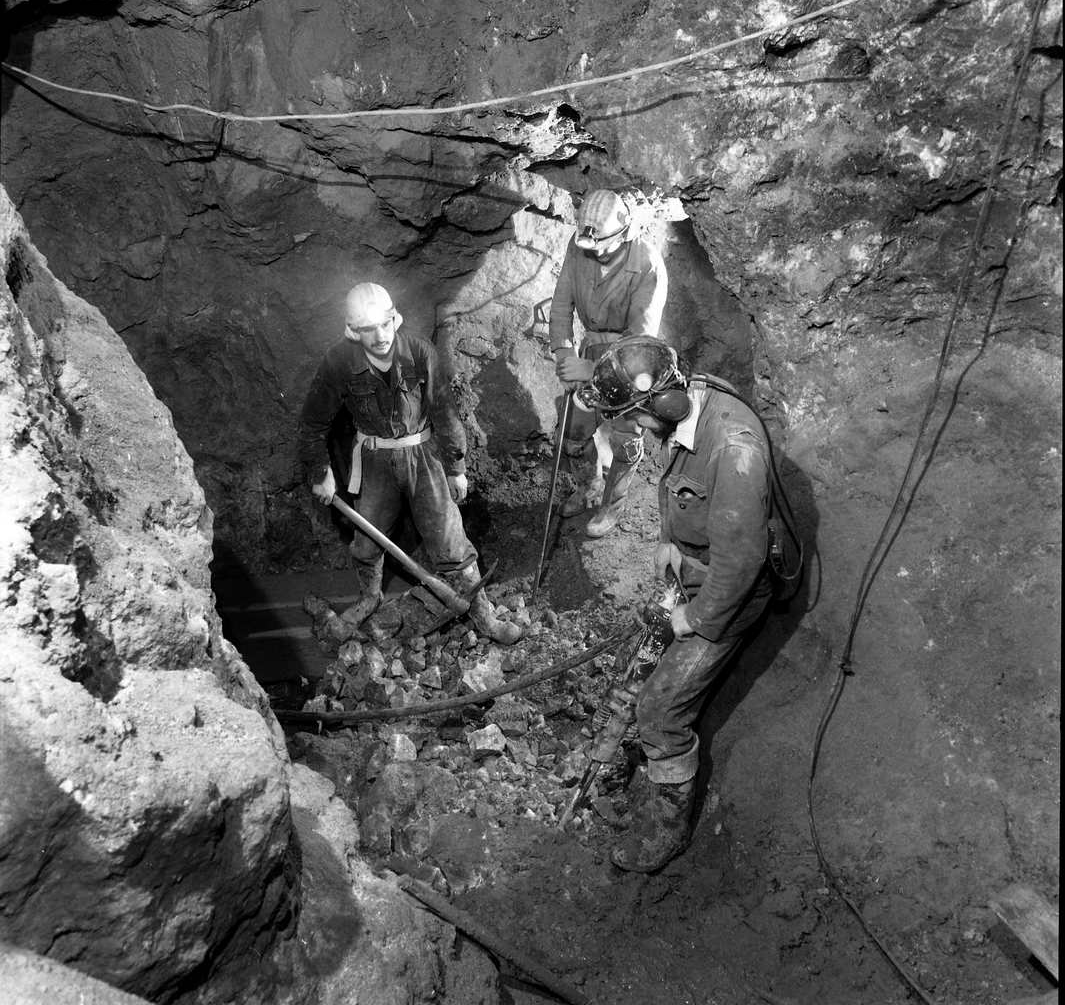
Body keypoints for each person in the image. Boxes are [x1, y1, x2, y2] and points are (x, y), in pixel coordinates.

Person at [576, 335, 776, 872]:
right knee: (635, 668)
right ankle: (639, 769)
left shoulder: (734, 452)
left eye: (636, 419)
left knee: (658, 710)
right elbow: (685, 486)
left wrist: (694, 617)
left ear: (664, 403)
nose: (636, 429)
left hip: (729, 596)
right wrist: (672, 543)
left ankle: (667, 828)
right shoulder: (689, 404)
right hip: (696, 569)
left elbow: (741, 566)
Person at [297, 281, 522, 646]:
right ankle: (370, 597)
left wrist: (456, 467)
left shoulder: (419, 352)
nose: (381, 336)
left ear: (394, 319)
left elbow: (444, 411)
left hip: (424, 456)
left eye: (385, 324)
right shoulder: (339, 362)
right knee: (367, 544)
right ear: (353, 332)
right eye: (368, 330)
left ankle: (483, 613)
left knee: (451, 541)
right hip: (375, 461)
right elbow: (313, 423)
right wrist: (320, 472)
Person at [549, 189, 668, 538]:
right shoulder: (580, 245)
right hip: (590, 348)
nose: (595, 251)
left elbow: (641, 343)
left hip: (632, 364)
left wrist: (591, 371)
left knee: (625, 441)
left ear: (624, 233)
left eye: (603, 244)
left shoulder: (647, 265)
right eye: (589, 244)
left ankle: (611, 507)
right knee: (573, 433)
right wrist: (565, 352)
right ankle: (588, 486)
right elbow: (560, 305)